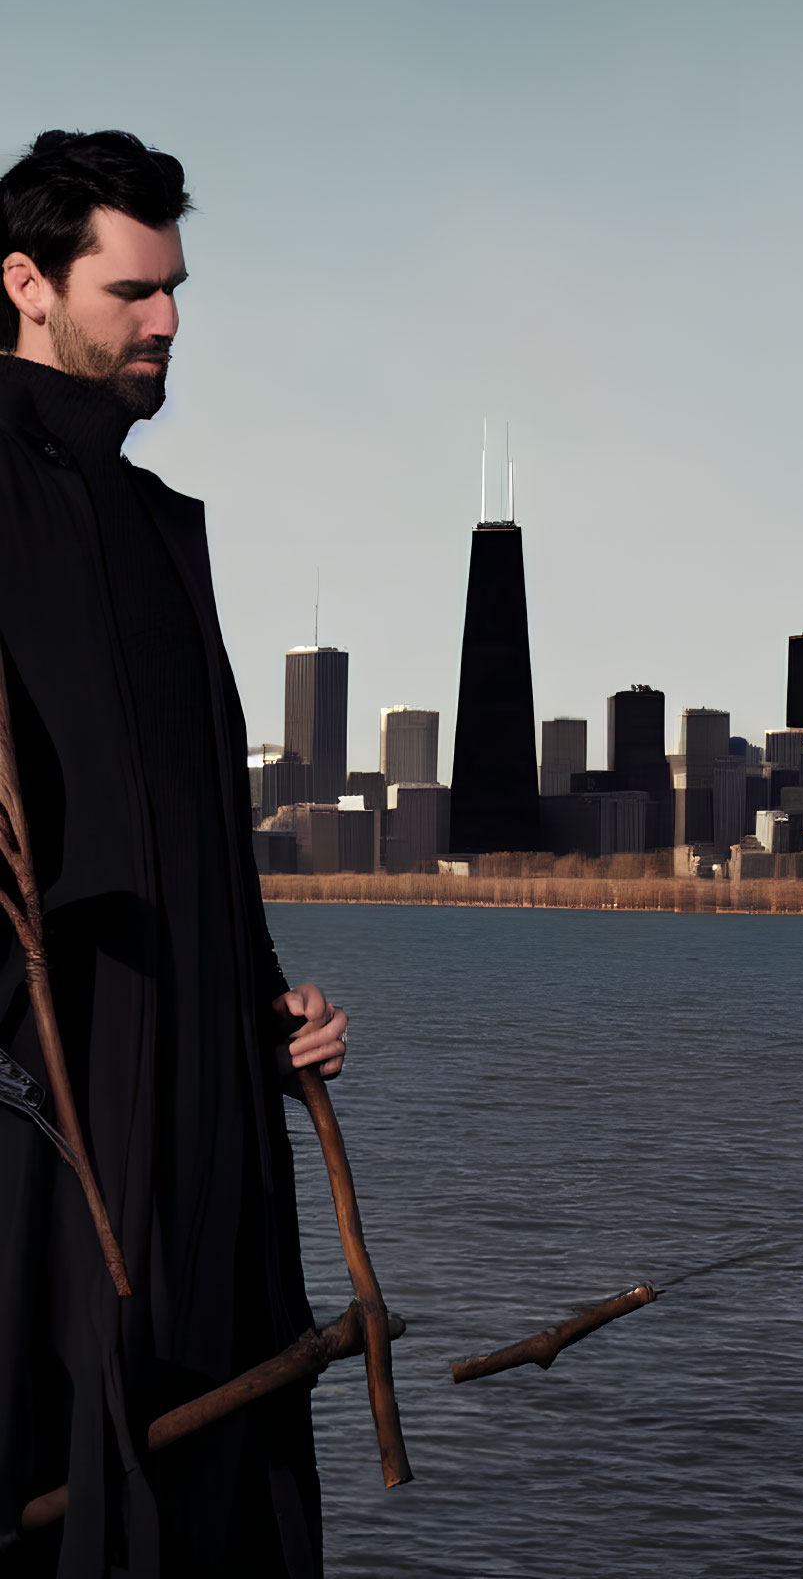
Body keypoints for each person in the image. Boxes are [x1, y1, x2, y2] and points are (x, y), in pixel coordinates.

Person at [0, 131, 347, 1578]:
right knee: (55, 1453)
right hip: (43, 1100)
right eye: (134, 291)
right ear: (26, 283)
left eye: (177, 288)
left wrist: (272, 999)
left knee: (212, 1475)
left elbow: (205, 822)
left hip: (207, 1099)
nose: (168, 323)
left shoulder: (161, 528)